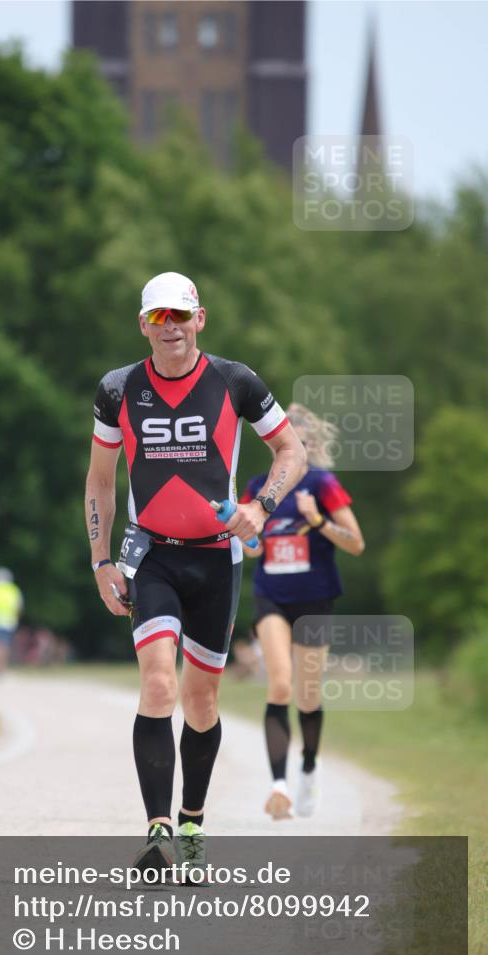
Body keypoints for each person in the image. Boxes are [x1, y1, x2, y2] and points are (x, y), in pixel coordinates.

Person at [85, 271, 305, 876]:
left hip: (216, 558)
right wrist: (101, 561)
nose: (171, 327)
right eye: (159, 317)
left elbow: (292, 451)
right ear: (144, 325)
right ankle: (157, 834)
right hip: (151, 554)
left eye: (180, 315)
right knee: (159, 683)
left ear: (200, 319)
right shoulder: (118, 389)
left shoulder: (235, 382)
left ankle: (191, 825)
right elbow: (100, 480)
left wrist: (261, 507)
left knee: (201, 699)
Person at [241, 403, 365, 820]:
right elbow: (250, 547)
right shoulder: (258, 487)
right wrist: (247, 536)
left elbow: (356, 543)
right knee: (279, 685)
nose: (295, 451)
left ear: (310, 446)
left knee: (308, 694)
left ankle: (309, 768)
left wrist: (318, 521)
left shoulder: (323, 484)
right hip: (271, 597)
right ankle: (278, 786)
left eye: (303, 444)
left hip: (315, 600)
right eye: (287, 444)